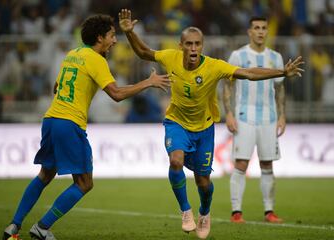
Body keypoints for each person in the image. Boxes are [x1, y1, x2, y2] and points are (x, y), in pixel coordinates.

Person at [118, 9, 303, 239]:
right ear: (181, 45)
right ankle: (186, 211)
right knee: (176, 161)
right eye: (189, 44)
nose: (193, 48)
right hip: (177, 122)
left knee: (203, 181)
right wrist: (129, 33)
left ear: (202, 46)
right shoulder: (170, 57)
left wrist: (281, 71)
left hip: (204, 128)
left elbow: (248, 73)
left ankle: (204, 213)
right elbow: (145, 52)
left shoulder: (214, 66)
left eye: (197, 44)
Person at [2, 14, 171, 240]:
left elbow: (56, 86)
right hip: (69, 123)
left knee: (45, 174)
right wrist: (148, 82)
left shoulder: (72, 55)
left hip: (51, 120)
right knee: (84, 183)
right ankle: (42, 227)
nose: (114, 41)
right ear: (100, 37)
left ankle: (13, 226)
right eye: (111, 36)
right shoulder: (95, 60)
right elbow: (117, 94)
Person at [223, 17, 287, 224]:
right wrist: (229, 113)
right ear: (249, 32)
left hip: (269, 118)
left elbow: (279, 88)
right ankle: (236, 212)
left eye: (264, 28)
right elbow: (228, 85)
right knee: (241, 163)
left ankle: (269, 211)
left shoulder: (275, 57)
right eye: (256, 28)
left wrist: (282, 115)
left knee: (267, 164)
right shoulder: (238, 55)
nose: (260, 32)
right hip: (244, 116)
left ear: (267, 32)